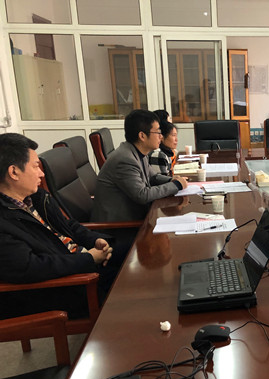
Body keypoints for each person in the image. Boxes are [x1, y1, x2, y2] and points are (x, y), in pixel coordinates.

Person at [0, 133, 123, 319]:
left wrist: (95, 240)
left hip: (78, 264)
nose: (41, 173)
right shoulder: (4, 220)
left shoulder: (36, 197)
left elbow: (68, 225)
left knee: (136, 255)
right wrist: (88, 259)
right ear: (14, 172)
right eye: (35, 166)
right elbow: (30, 267)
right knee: (135, 283)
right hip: (64, 287)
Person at [92, 109, 188, 223]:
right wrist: (176, 185)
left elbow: (153, 177)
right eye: (158, 132)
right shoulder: (125, 159)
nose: (161, 137)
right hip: (119, 226)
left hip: (137, 216)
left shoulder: (138, 152)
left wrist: (172, 180)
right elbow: (142, 195)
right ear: (142, 136)